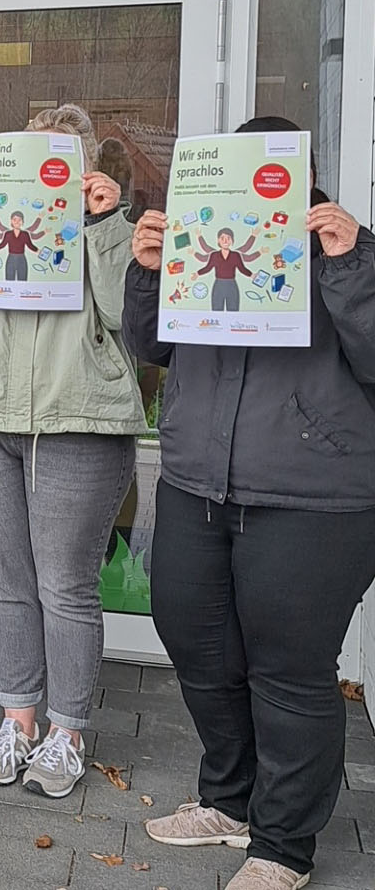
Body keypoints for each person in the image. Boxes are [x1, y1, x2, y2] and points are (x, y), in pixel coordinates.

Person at [123, 115, 375, 890]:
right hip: (197, 484)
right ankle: (228, 801)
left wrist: (350, 262)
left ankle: (283, 846)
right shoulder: (197, 238)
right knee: (199, 649)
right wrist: (147, 271)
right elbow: (151, 345)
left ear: (302, 174)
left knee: (290, 672)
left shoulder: (345, 249)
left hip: (311, 496)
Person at [0, 104, 141, 798]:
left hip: (77, 419)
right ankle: (17, 720)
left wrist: (106, 225)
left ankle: (66, 732)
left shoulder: (105, 220)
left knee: (65, 586)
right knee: (8, 580)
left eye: (62, 160)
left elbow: (128, 314)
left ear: (85, 167)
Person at [192, 226, 262, 312]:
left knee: (233, 310)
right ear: (218, 240)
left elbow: (242, 269)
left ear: (232, 240)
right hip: (218, 285)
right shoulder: (214, 255)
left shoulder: (236, 255)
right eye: (222, 238)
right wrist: (197, 274)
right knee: (217, 310)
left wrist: (252, 275)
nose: (225, 241)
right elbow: (208, 268)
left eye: (228, 238)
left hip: (231, 285)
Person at [0, 211, 46, 281]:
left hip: (21, 259)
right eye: (15, 219)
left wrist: (38, 251)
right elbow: (2, 244)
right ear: (11, 221)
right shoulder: (8, 234)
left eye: (19, 220)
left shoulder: (25, 234)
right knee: (9, 279)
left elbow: (30, 245)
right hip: (11, 259)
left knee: (22, 279)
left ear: (22, 222)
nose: (17, 222)